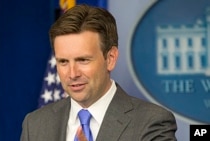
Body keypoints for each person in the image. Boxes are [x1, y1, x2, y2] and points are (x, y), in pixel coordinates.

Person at [20, 4, 177, 141]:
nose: (72, 74)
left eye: (83, 60)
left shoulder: (153, 122)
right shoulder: (35, 124)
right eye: (63, 62)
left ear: (110, 58)